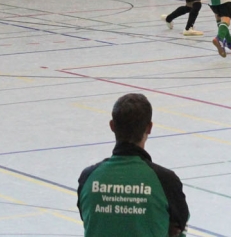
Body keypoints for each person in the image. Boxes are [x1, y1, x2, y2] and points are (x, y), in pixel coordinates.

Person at [77, 93, 189, 237]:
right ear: (149, 127)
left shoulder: (88, 178)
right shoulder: (166, 181)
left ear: (112, 126)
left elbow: (88, 218)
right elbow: (179, 225)